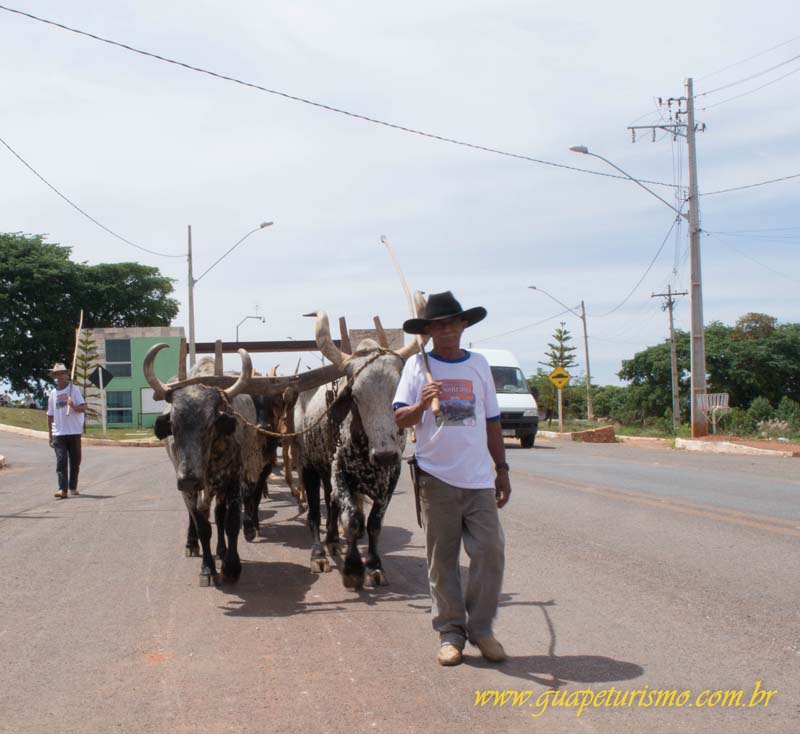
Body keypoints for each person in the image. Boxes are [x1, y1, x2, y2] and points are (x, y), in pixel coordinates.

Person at [393, 291, 511, 667]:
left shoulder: (479, 365)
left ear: (464, 325)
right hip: (436, 477)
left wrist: (502, 469)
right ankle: (450, 633)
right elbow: (399, 419)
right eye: (438, 325)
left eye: (452, 323)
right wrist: (420, 403)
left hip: (477, 479)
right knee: (442, 560)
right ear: (428, 331)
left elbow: (492, 421)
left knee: (489, 550)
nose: (447, 331)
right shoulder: (416, 366)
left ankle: (481, 628)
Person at [46, 362, 86, 499]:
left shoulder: (73, 390)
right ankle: (62, 489)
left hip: (74, 431)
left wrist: (73, 406)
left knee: (75, 461)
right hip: (59, 433)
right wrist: (50, 435)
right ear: (54, 376)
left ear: (66, 374)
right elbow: (50, 415)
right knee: (61, 460)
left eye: (61, 373)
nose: (59, 376)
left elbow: (83, 407)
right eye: (56, 374)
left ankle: (73, 487)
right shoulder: (52, 393)